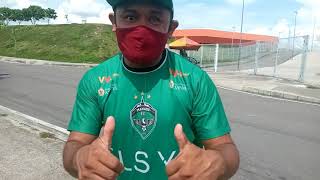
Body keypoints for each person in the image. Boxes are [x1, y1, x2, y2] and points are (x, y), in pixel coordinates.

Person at [63, 0, 240, 179]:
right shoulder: (95, 79)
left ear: (171, 28)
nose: (141, 29)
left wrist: (219, 164)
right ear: (114, 22)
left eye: (155, 19)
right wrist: (79, 158)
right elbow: (75, 143)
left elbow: (224, 147)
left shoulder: (196, 80)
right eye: (130, 17)